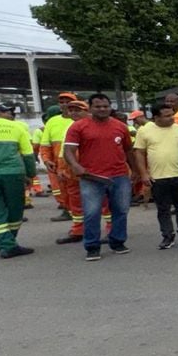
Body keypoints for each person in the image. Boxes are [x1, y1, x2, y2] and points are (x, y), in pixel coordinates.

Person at [62, 94, 132, 261]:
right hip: (91, 177)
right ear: (90, 108)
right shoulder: (78, 127)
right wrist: (76, 166)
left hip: (119, 175)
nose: (102, 109)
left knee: (121, 210)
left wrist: (136, 171)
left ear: (110, 107)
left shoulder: (120, 127)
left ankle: (117, 241)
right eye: (98, 106)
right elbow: (68, 151)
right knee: (92, 212)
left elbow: (129, 150)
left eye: (105, 106)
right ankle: (92, 246)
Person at [0, 96, 36, 259]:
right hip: (14, 173)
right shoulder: (15, 127)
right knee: (15, 208)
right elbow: (28, 154)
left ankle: (5, 243)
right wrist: (30, 174)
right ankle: (8, 240)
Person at [134, 102, 178, 249]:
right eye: (167, 116)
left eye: (172, 114)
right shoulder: (144, 131)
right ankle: (167, 236)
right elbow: (139, 153)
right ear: (156, 117)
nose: (171, 118)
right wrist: (144, 173)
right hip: (157, 178)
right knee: (163, 209)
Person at [53, 99, 89, 244]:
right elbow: (65, 150)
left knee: (104, 202)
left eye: (78, 110)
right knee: (75, 203)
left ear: (87, 111)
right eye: (71, 110)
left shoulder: (93, 126)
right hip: (72, 172)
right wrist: (62, 168)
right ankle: (78, 230)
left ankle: (111, 229)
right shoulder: (70, 128)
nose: (73, 112)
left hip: (90, 171)